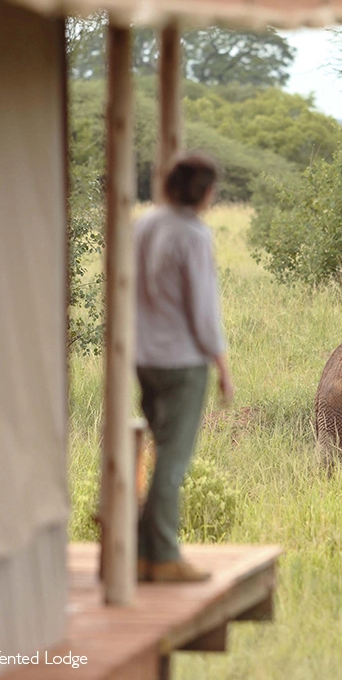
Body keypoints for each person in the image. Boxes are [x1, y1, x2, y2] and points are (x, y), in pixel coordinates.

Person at [134, 153, 234, 582]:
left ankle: (142, 554)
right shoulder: (193, 234)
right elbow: (204, 310)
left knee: (160, 454)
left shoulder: (145, 224)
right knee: (172, 462)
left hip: (144, 358)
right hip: (182, 363)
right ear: (205, 192)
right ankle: (164, 556)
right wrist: (223, 366)